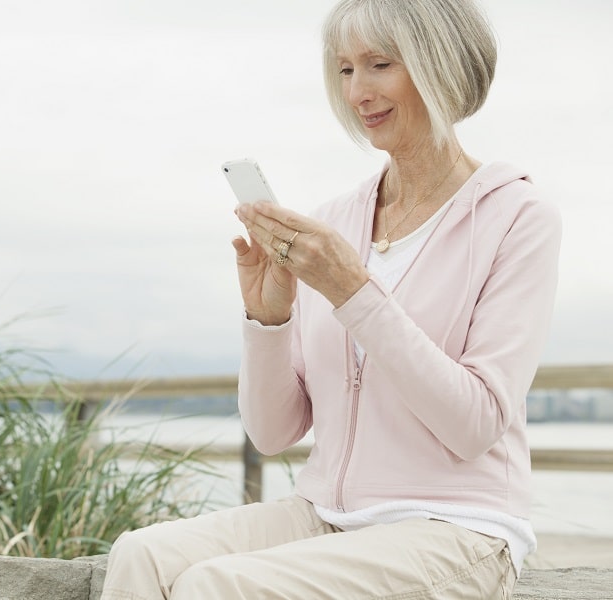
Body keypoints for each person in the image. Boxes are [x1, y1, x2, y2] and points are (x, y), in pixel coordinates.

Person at [100, 0, 561, 597]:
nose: (357, 91)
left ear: (440, 65)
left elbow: (475, 425)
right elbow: (272, 434)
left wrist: (353, 290)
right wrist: (268, 321)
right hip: (328, 512)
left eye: (379, 64)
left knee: (219, 586)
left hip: (458, 529)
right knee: (142, 554)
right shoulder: (335, 223)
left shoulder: (518, 217)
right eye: (345, 70)